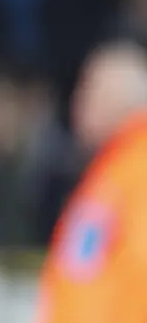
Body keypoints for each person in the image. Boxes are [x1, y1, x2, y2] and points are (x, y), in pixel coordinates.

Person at [37, 42, 147, 322]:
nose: (78, 103)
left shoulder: (138, 169)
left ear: (115, 98)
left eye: (88, 89)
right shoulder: (115, 168)